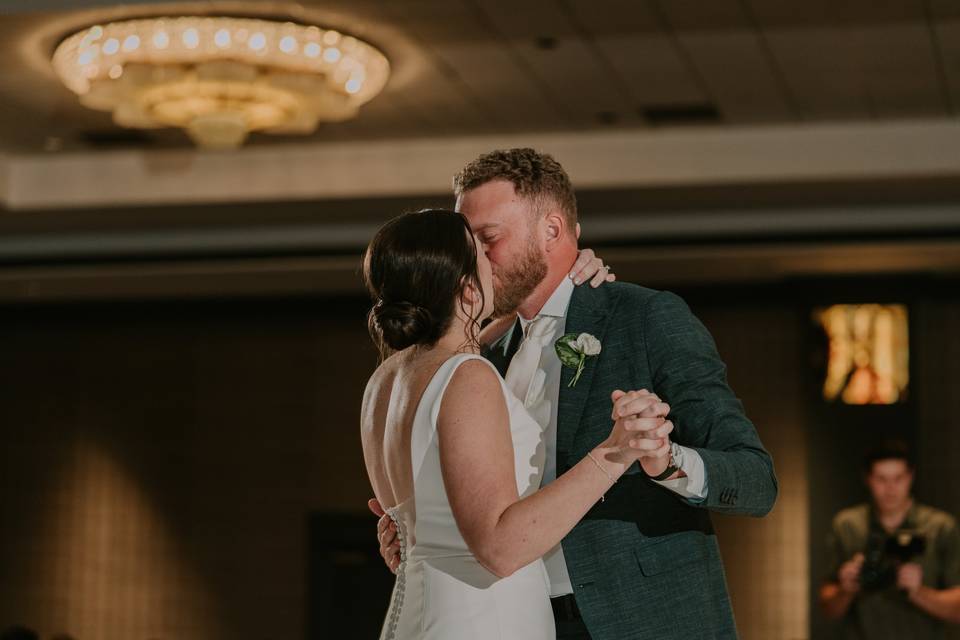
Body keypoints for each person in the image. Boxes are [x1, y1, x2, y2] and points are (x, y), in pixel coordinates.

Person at [371, 148, 778, 639]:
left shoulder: (644, 318)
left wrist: (668, 461)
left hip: (641, 619)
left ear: (552, 231)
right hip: (516, 614)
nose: (468, 257)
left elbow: (756, 479)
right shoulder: (474, 354)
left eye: (487, 239)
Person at [360, 208, 658, 639]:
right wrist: (616, 451)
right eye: (480, 250)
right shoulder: (468, 376)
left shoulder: (385, 381)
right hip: (483, 619)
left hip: (418, 613)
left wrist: (560, 284)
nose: (491, 257)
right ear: (465, 290)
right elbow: (499, 548)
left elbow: (460, 334)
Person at [820, 440, 960, 638]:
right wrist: (846, 589)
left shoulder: (940, 527)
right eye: (881, 479)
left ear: (911, 476)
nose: (890, 488)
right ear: (868, 479)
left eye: (898, 478)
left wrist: (917, 591)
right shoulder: (848, 526)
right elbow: (827, 609)